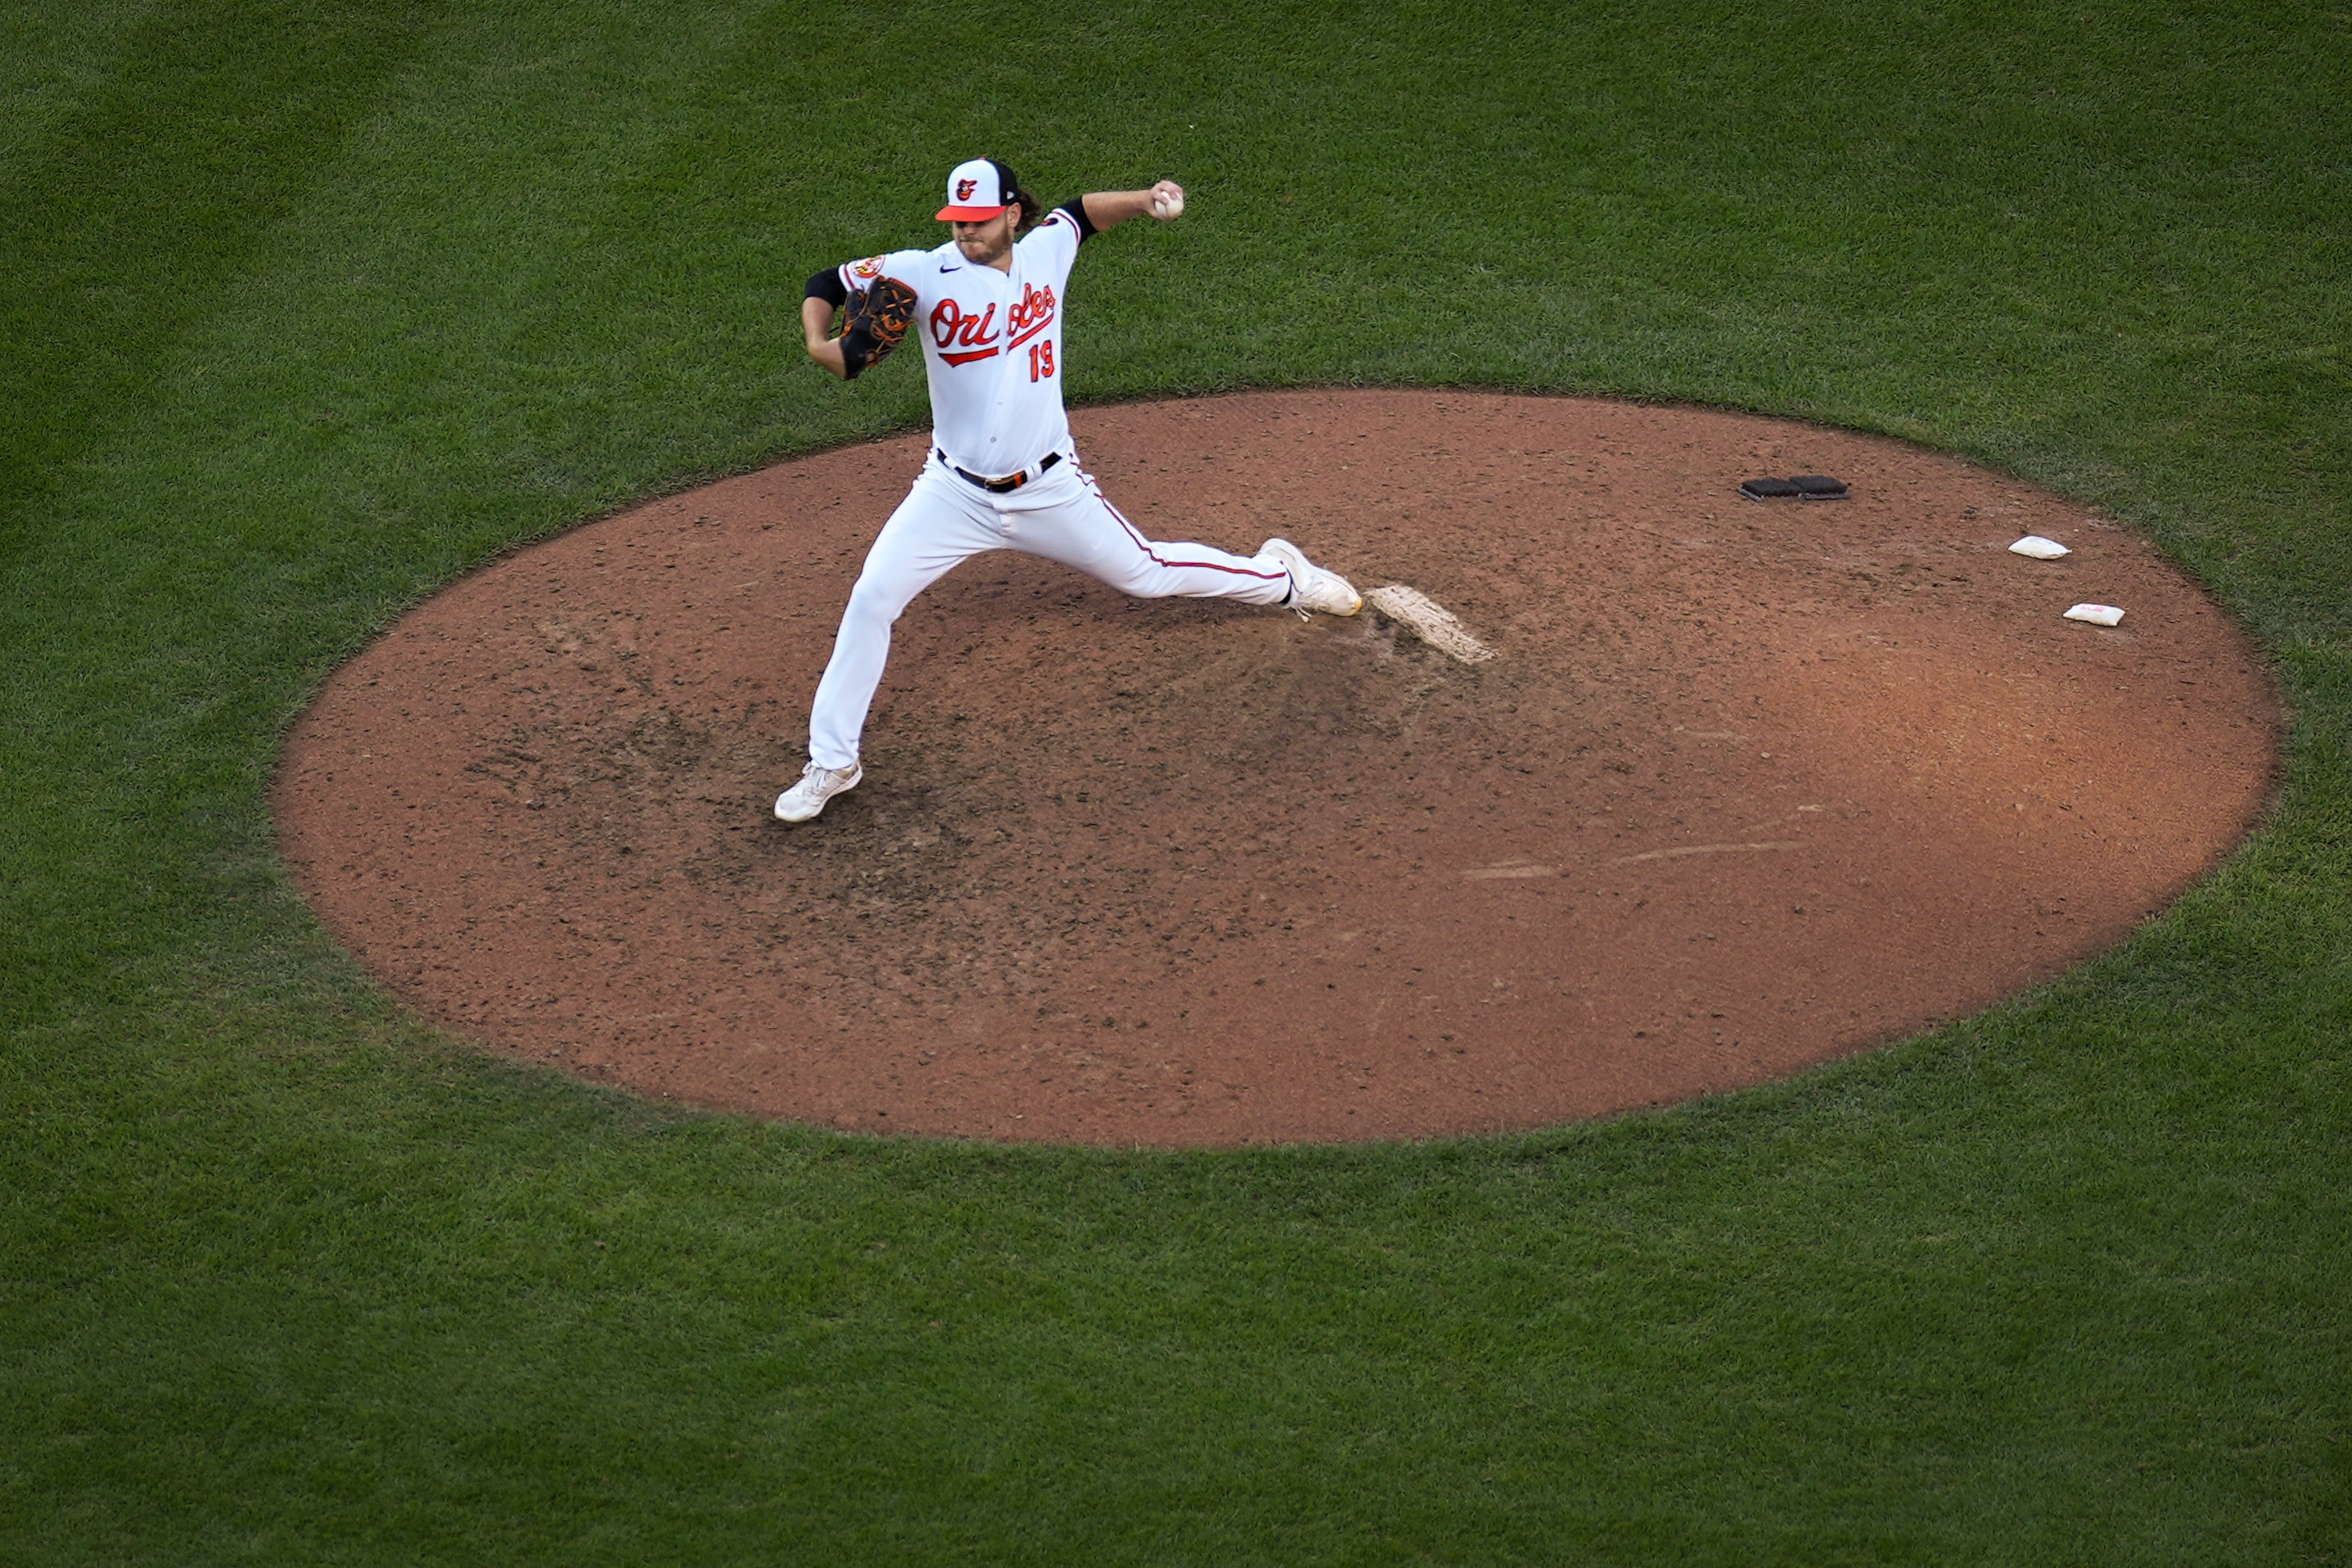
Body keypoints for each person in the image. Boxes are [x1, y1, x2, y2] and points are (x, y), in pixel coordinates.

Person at [775, 156, 1362, 823]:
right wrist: (820, 341)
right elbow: (826, 280)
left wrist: (1146, 199)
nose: (965, 232)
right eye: (956, 221)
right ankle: (833, 762)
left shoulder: (1046, 251)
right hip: (951, 493)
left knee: (1147, 573)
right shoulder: (919, 270)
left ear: (1011, 215)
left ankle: (1285, 579)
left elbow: (1081, 213)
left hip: (1049, 487)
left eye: (978, 220)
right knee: (872, 597)